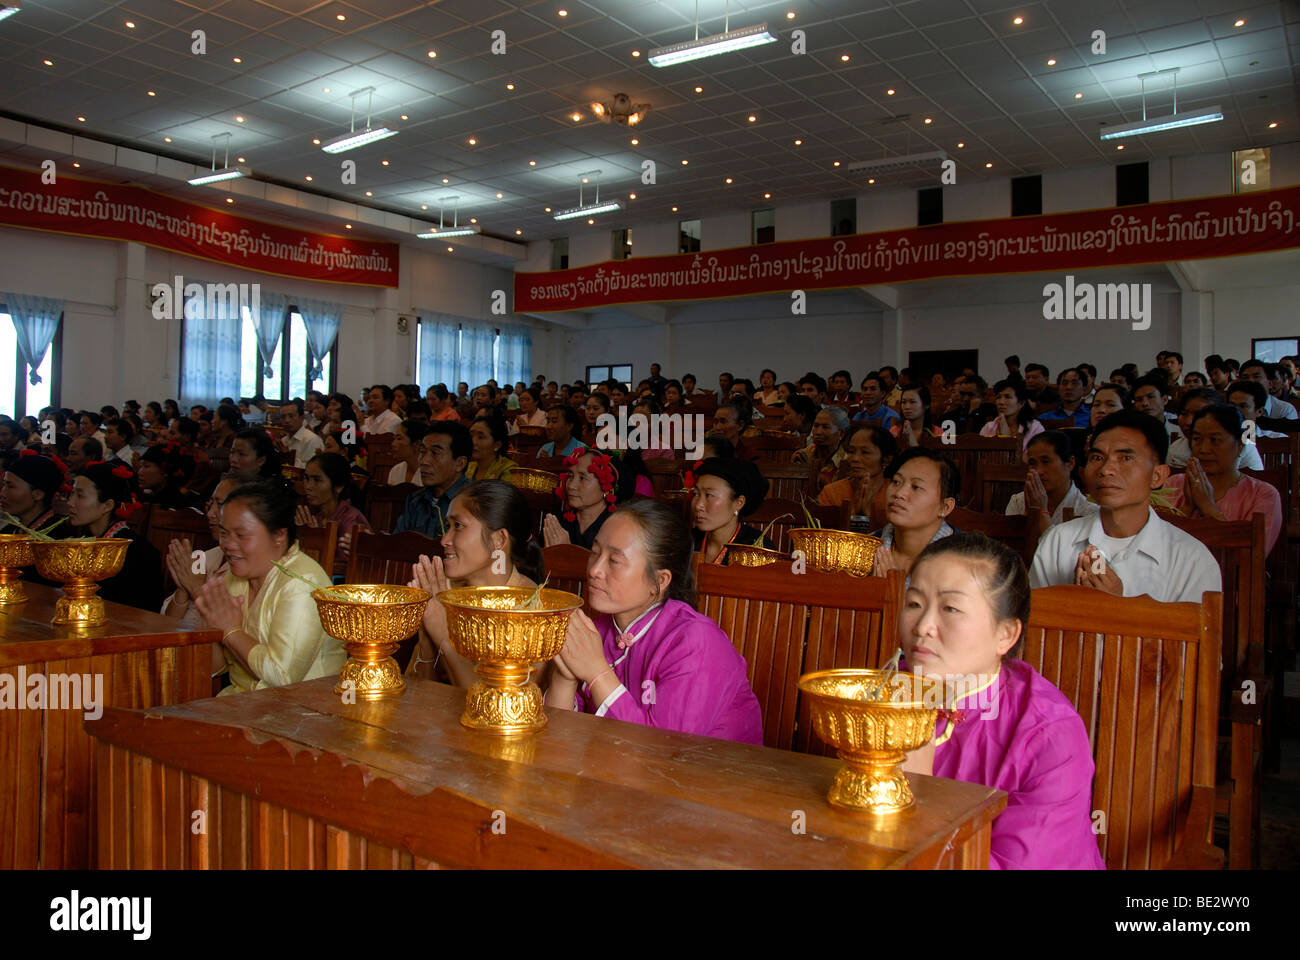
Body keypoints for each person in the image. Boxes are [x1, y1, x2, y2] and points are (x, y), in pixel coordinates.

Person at [898, 534, 1104, 870]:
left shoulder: (1049, 734)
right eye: (914, 604)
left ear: (1005, 635)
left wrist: (921, 790)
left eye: (950, 608)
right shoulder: (889, 691)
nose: (923, 626)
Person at [543, 499, 763, 744]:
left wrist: (597, 673)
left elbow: (665, 750)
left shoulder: (696, 642)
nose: (594, 569)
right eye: (595, 552)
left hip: (711, 776)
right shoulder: (598, 630)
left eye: (614, 561)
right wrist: (565, 676)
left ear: (659, 581)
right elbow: (557, 741)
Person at [1029, 411, 1221, 603]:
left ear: (1157, 476)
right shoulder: (1057, 543)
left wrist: (1118, 608)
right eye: (1097, 458)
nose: (1106, 470)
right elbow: (1035, 624)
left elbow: (1188, 633)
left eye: (1126, 458)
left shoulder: (1191, 560)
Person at [194, 479, 345, 694]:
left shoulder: (301, 585)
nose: (227, 545)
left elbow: (282, 678)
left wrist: (231, 632)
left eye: (241, 535)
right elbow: (216, 667)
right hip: (241, 703)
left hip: (301, 711)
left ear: (279, 536)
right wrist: (211, 628)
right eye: (224, 533)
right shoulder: (234, 576)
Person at [406, 481, 544, 683]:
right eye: (448, 527)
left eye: (458, 526)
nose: (445, 540)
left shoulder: (533, 609)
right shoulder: (448, 592)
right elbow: (420, 692)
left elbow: (499, 708)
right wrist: (427, 636)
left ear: (499, 540)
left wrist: (443, 635)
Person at [1165, 405, 1283, 554]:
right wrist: (1187, 508)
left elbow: (1253, 558)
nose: (1204, 449)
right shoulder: (1174, 484)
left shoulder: (1263, 494)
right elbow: (1158, 547)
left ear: (1239, 446)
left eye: (1215, 440)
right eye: (1197, 439)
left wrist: (1209, 508)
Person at [65, 461, 163, 612]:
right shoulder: (83, 540)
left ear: (107, 505)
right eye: (71, 494)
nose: (70, 502)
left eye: (79, 495)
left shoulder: (138, 553)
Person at [161, 472, 254, 626]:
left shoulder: (252, 567)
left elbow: (228, 632)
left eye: (220, 504)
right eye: (211, 504)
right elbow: (165, 622)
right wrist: (182, 589)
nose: (210, 514)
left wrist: (196, 588)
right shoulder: (203, 558)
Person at [871, 447, 959, 579]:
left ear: (945, 507)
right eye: (896, 482)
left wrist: (892, 591)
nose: (899, 494)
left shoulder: (964, 560)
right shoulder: (866, 548)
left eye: (916, 487)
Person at [1005, 431, 1099, 535]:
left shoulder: (1088, 512)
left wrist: (1042, 512)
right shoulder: (1018, 502)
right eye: (1032, 463)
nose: (1039, 471)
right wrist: (1030, 513)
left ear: (1070, 463)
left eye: (1046, 462)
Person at [297, 452, 372, 577]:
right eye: (306, 478)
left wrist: (317, 543)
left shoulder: (351, 520)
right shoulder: (315, 516)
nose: (308, 486)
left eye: (317, 480)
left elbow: (347, 569)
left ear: (338, 486)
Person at [542, 448, 634, 549]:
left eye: (582, 478)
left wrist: (567, 551)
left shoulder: (617, 529)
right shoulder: (556, 522)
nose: (571, 485)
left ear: (607, 488)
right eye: (571, 476)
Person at [689, 457, 774, 564]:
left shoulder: (757, 549)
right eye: (696, 494)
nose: (698, 505)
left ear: (739, 503)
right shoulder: (686, 542)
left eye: (709, 495)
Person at [394, 422, 471, 539]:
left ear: (460, 463)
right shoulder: (415, 501)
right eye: (422, 452)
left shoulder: (474, 504)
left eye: (435, 453)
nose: (424, 461)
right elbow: (396, 546)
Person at [819, 424, 897, 530]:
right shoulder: (832, 493)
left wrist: (869, 513)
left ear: (887, 459)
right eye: (851, 451)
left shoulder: (896, 495)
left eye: (865, 452)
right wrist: (853, 514)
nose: (855, 458)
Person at [1168, 386, 1262, 470]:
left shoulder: (1244, 446)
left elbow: (1256, 484)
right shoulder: (1175, 449)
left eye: (1198, 414)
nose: (1188, 421)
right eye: (1184, 414)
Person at [0, 451, 69, 535]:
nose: (2, 494)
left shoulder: (56, 536)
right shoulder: (10, 530)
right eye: (4, 485)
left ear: (38, 494)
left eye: (10, 486)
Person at [793, 406, 850, 493]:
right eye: (816, 426)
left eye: (825, 427)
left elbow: (836, 496)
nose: (818, 432)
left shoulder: (846, 462)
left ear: (841, 433)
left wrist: (812, 473)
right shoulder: (803, 454)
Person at [979, 379, 1044, 452]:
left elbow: (1033, 458)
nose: (1001, 402)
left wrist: (1006, 440)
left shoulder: (1034, 427)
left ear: (1021, 403)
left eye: (1007, 397)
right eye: (998, 397)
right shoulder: (989, 427)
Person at [136, 442, 198, 510]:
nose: (139, 472)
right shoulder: (148, 498)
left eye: (146, 466)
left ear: (165, 471)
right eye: (141, 466)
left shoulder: (176, 507)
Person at [466, 413, 517, 482]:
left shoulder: (509, 470)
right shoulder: (468, 467)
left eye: (480, 437)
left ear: (497, 445)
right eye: (471, 436)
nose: (473, 442)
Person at [1131, 375, 1179, 442]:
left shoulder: (1180, 434)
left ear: (1164, 400)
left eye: (1151, 397)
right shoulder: (1130, 436)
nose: (1145, 403)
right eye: (1139, 399)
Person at [277, 398, 323, 468]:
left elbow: (312, 469)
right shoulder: (284, 440)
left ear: (302, 417)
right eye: (283, 417)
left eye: (291, 416)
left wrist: (288, 457)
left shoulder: (311, 440)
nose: (287, 420)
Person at [386, 419, 428, 486]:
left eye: (399, 438)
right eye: (394, 439)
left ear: (417, 444)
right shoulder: (396, 470)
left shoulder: (429, 473)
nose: (393, 444)